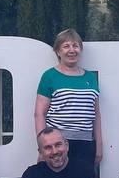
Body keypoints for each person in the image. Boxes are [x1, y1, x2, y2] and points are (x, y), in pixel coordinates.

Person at [35, 28, 102, 168]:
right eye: (66, 46)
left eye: (75, 46)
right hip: (57, 145)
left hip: (85, 144)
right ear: (58, 51)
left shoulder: (90, 78)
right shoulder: (49, 76)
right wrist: (43, 147)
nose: (72, 50)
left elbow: (96, 115)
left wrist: (99, 145)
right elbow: (39, 114)